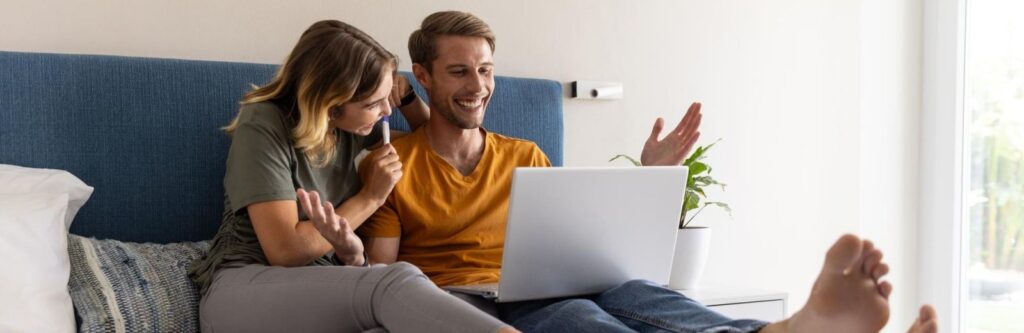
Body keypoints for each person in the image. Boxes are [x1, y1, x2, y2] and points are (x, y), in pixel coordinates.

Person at [354, 11, 940, 333]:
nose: (477, 86)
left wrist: (649, 176)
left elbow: (577, 244)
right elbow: (384, 279)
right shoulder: (391, 166)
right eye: (458, 72)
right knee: (582, 317)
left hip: (543, 289)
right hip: (469, 305)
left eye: (485, 69)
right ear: (423, 77)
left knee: (641, 295)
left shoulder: (525, 154)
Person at [186, 19, 518, 333]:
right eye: (375, 104)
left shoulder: (351, 127)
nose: (387, 113)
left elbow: (437, 139)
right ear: (332, 104)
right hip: (243, 289)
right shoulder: (263, 123)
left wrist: (405, 97)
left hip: (322, 287)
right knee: (394, 281)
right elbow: (285, 251)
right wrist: (371, 197)